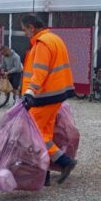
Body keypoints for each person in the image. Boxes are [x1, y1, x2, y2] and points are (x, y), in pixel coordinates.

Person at [19, 14, 77, 185]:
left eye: (24, 30)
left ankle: (65, 162)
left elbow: (40, 72)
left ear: (31, 27)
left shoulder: (42, 43)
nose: (24, 34)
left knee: (32, 133)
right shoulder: (54, 39)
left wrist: (30, 92)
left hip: (44, 96)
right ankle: (44, 176)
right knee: (44, 134)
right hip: (56, 94)